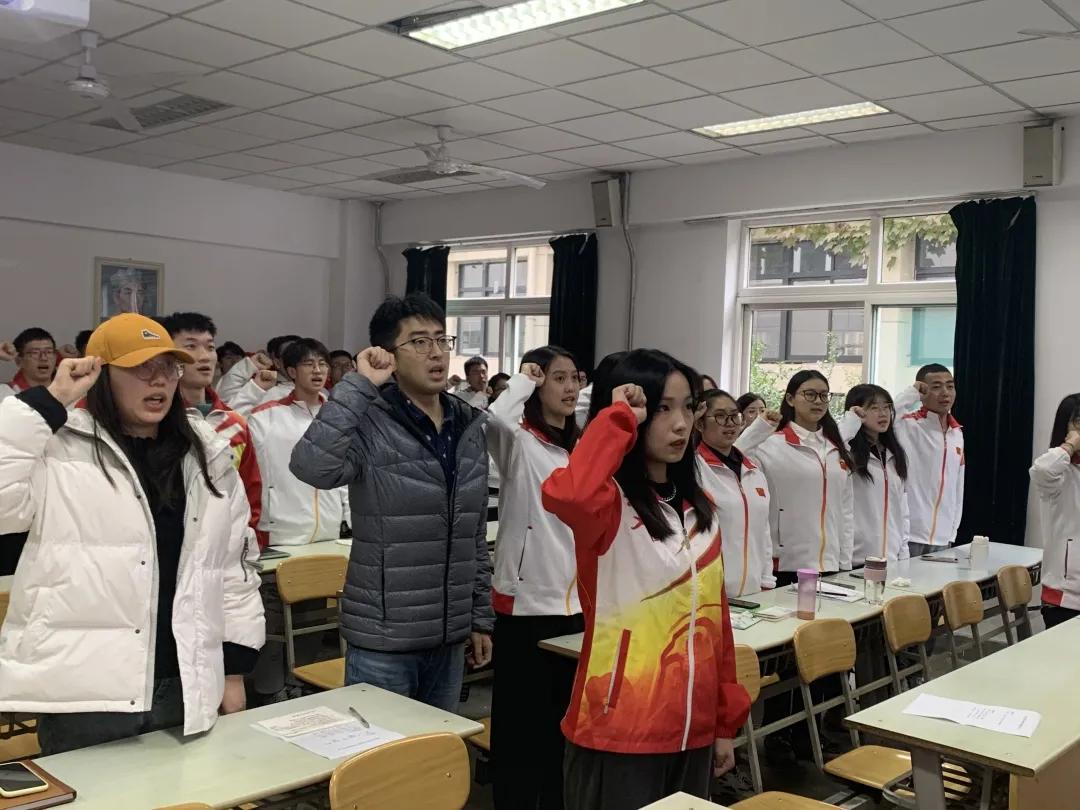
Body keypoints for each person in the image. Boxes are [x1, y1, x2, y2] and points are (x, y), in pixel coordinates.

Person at [0, 313, 264, 754]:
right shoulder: (57, 449)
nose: (158, 380)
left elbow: (232, 570)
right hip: (86, 692)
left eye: (167, 368)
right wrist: (50, 401)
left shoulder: (206, 456)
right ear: (100, 375)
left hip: (183, 682)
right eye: (140, 368)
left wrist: (233, 669)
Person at [542, 349, 749, 809]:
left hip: (693, 730)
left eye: (687, 407)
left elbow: (716, 625)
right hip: (620, 727)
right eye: (661, 409)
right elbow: (568, 493)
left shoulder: (699, 510)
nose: (681, 424)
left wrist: (722, 722)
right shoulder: (609, 505)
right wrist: (618, 419)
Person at [290, 293, 493, 712]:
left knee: (438, 749)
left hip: (450, 637)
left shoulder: (468, 425)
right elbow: (311, 467)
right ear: (389, 355)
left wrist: (478, 618)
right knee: (380, 750)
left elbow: (472, 536)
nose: (436, 352)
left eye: (441, 339)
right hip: (385, 639)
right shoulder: (369, 420)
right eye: (419, 342)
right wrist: (359, 384)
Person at [487, 346, 583, 810]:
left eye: (574, 378)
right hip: (527, 603)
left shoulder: (581, 446)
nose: (569, 387)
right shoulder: (520, 442)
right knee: (521, 726)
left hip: (577, 602)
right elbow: (495, 419)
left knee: (563, 721)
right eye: (557, 378)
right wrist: (522, 380)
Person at [736, 370, 854, 581]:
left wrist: (844, 562)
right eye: (810, 394)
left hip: (830, 563)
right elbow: (734, 457)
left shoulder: (835, 449)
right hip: (786, 564)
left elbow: (845, 511)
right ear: (790, 399)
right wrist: (760, 427)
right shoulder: (770, 444)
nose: (818, 401)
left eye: (824, 395)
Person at [161, 312, 263, 547]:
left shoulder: (235, 423)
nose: (204, 356)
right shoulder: (158, 420)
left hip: (226, 547)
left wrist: (247, 546)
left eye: (210, 347)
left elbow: (250, 492)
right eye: (191, 346)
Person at [248, 339, 345, 548]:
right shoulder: (266, 416)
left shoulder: (338, 416)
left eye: (322, 364)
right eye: (309, 364)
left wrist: (347, 516)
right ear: (292, 372)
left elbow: (345, 472)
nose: (317, 370)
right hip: (282, 534)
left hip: (331, 530)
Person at [696, 388, 774, 596]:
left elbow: (763, 533)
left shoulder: (754, 471)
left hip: (754, 592)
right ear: (699, 423)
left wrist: (766, 580)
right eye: (720, 416)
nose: (730, 423)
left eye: (734, 416)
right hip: (710, 594)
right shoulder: (695, 469)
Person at [893, 364, 964, 557]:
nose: (945, 393)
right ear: (922, 391)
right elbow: (888, 413)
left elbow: (958, 485)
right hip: (910, 534)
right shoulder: (908, 425)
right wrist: (912, 393)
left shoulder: (957, 433)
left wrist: (953, 530)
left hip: (944, 537)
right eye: (936, 387)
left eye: (950, 386)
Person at [840, 385, 910, 563]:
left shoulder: (895, 455)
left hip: (891, 559)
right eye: (874, 408)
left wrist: (903, 553)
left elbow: (902, 510)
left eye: (886, 407)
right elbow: (835, 444)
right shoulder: (848, 455)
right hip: (856, 558)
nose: (883, 413)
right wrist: (851, 421)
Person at [1029, 393, 1080, 628]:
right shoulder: (1058, 473)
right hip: (1065, 597)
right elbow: (1042, 469)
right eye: (1078, 423)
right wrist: (1070, 445)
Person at [216, 334, 300, 414]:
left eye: (303, 355)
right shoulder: (266, 392)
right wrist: (248, 366)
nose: (297, 360)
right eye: (291, 354)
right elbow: (228, 412)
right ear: (277, 363)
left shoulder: (306, 391)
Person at [0, 328, 57, 401]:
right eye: (35, 353)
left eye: (49, 352)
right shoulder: (4, 393)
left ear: (55, 357)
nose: (43, 358)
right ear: (19, 361)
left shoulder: (68, 393)